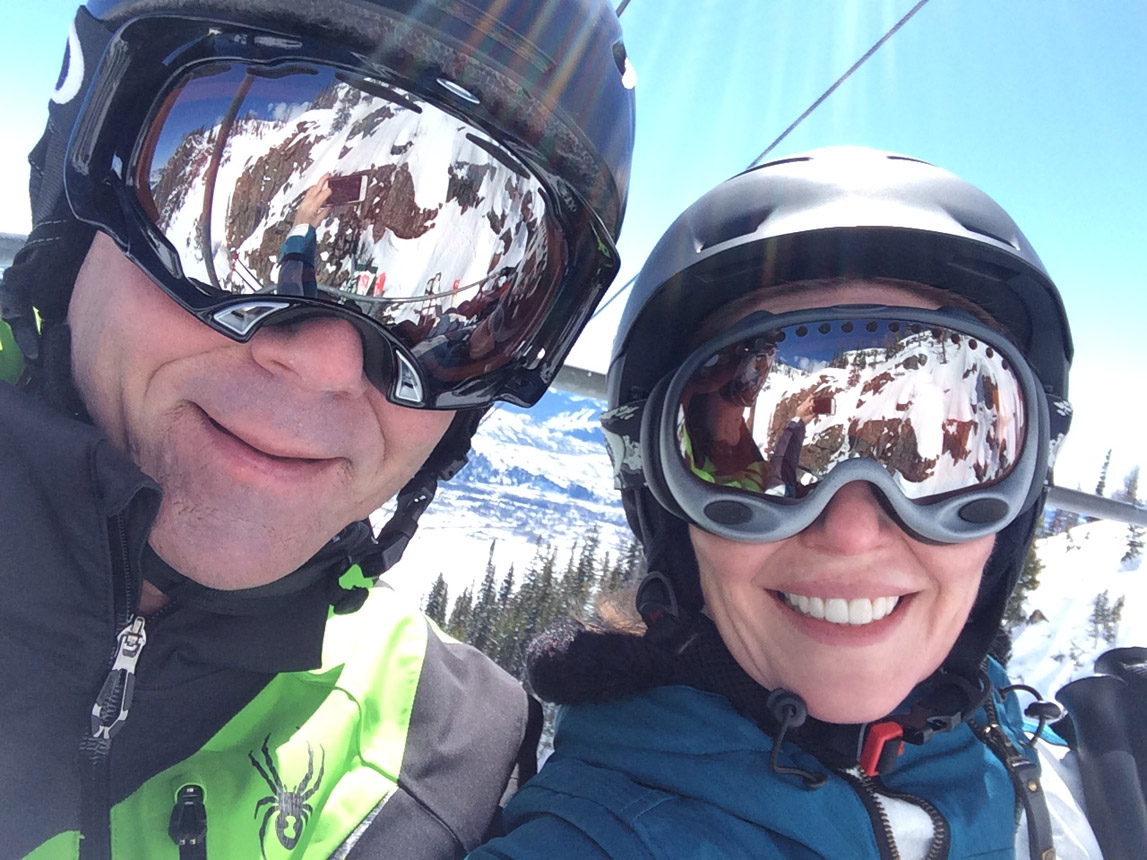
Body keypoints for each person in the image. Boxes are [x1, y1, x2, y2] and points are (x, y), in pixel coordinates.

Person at [0, 0, 634, 856]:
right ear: (78, 220)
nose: (329, 362)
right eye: (237, 228)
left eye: (454, 310)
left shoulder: (458, 758)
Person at [469, 147, 1108, 859]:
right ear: (664, 497)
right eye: (764, 451)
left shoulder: (1072, 792)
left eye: (939, 458)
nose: (852, 531)